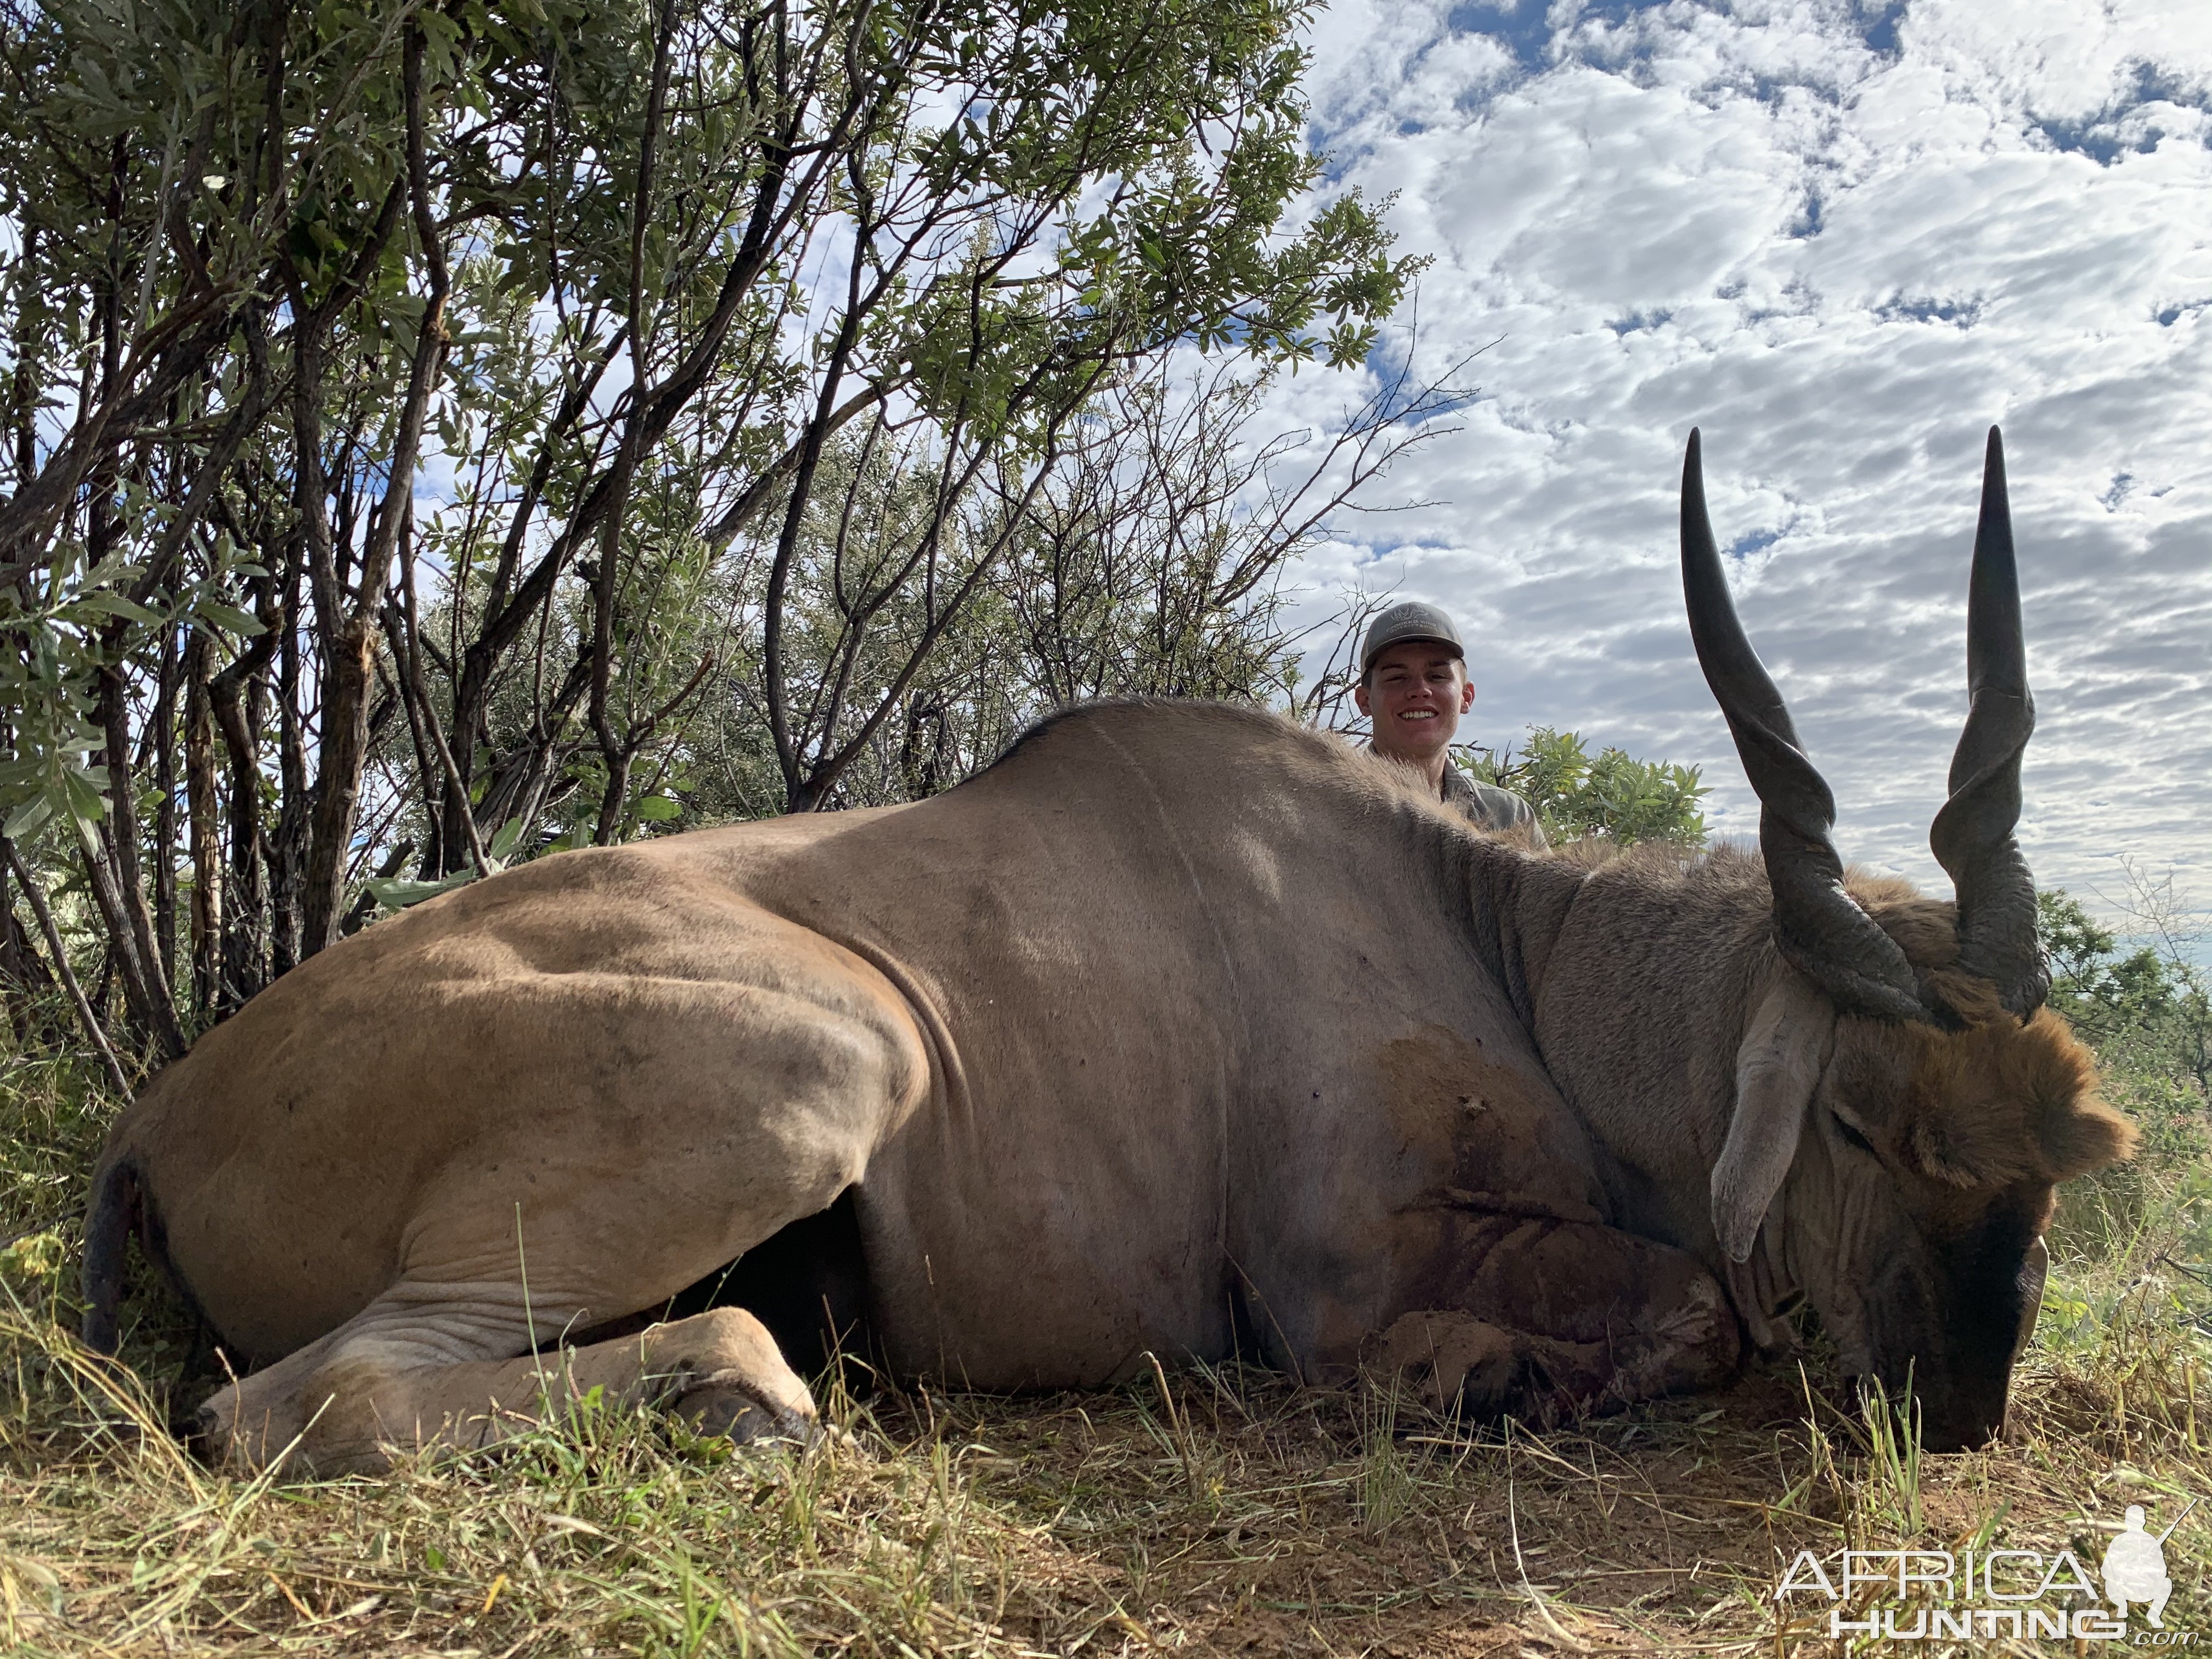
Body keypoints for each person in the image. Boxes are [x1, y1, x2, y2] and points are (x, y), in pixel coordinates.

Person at [1353, 600, 1547, 847]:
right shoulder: (1319, 806)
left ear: (1466, 697)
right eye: (1397, 678)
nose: (1420, 690)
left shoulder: (1511, 817)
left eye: (1437, 677)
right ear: (1365, 701)